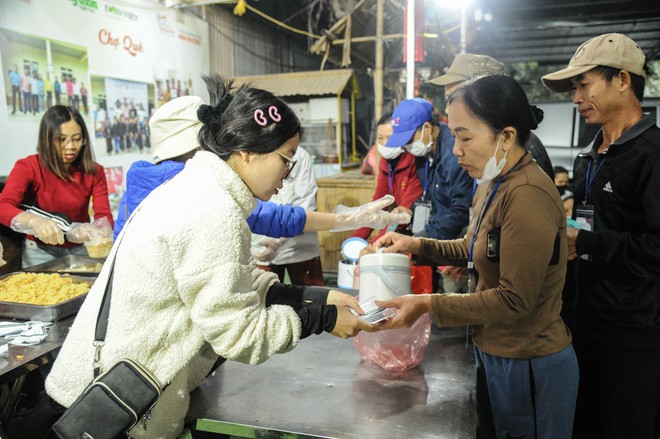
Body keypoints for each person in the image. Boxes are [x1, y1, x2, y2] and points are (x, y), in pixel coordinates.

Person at [45, 74, 380, 439]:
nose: (287, 176)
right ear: (247, 151)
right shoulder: (212, 210)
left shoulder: (200, 189)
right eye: (286, 160)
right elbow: (242, 335)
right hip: (116, 404)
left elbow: (234, 282)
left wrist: (313, 295)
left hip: (119, 387)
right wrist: (325, 319)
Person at [371, 75, 578, 439]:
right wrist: (417, 246)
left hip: (528, 362)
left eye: (465, 138)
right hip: (497, 350)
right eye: (455, 138)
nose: (456, 151)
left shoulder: (527, 194)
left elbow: (515, 300)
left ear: (507, 136)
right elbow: (472, 247)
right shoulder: (493, 183)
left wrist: (427, 304)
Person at [542, 33, 660, 439]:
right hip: (585, 320)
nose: (575, 97)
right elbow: (593, 226)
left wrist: (588, 243)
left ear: (623, 81)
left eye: (583, 84)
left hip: (634, 333)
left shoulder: (652, 155)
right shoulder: (588, 156)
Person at [114, 95, 410, 241]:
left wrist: (348, 218)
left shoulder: (152, 180)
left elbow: (272, 215)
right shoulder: (183, 186)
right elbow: (268, 216)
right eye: (284, 157)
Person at [0, 105, 114, 268]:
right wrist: (35, 221)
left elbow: (103, 214)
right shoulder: (29, 167)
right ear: (47, 139)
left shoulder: (94, 171)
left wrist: (102, 231)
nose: (70, 146)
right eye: (61, 139)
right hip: (39, 252)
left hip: (80, 248)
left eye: (76, 139)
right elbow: (3, 205)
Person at [430, 53, 555, 181]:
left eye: (455, 97)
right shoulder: (487, 164)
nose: (447, 109)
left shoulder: (523, 154)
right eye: (448, 100)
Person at [252, 146, 325, 286]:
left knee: (312, 301)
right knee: (263, 300)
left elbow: (306, 206)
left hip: (300, 248)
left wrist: (280, 241)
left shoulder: (301, 156)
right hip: (260, 247)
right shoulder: (254, 150)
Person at [352, 106, 423, 243]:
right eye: (380, 138)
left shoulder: (414, 162)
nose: (385, 143)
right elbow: (378, 204)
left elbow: (402, 215)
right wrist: (355, 240)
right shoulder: (386, 163)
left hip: (413, 234)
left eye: (390, 138)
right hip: (395, 228)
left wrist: (374, 244)